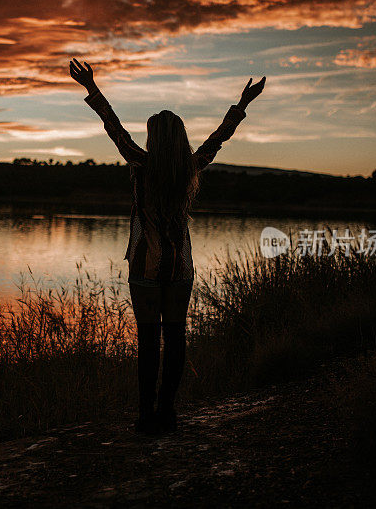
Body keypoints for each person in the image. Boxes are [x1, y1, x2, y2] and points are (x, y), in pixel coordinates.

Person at [69, 58, 265, 434]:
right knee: (175, 338)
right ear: (180, 139)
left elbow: (114, 129)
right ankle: (168, 412)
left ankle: (146, 417)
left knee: (148, 342)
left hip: (145, 265)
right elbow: (219, 138)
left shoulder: (140, 163)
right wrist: (243, 104)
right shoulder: (192, 166)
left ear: (153, 139)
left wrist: (91, 88)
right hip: (181, 267)